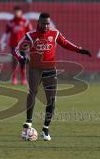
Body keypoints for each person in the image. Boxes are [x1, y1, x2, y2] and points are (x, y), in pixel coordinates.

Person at [14, 13, 91, 141]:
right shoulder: (31, 36)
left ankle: (45, 128)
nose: (46, 26)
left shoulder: (54, 34)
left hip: (50, 69)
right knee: (32, 92)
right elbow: (17, 49)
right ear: (38, 22)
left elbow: (65, 43)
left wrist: (79, 50)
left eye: (48, 23)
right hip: (35, 69)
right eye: (43, 23)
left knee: (51, 100)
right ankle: (29, 121)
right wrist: (21, 59)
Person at [0, 6, 32, 85]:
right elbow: (6, 33)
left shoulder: (25, 22)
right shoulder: (11, 22)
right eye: (15, 11)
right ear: (14, 12)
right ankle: (14, 78)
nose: (17, 13)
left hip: (23, 45)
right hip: (14, 45)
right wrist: (2, 41)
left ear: (21, 12)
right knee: (14, 61)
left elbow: (30, 34)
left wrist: (30, 43)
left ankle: (23, 78)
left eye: (18, 11)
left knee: (23, 62)